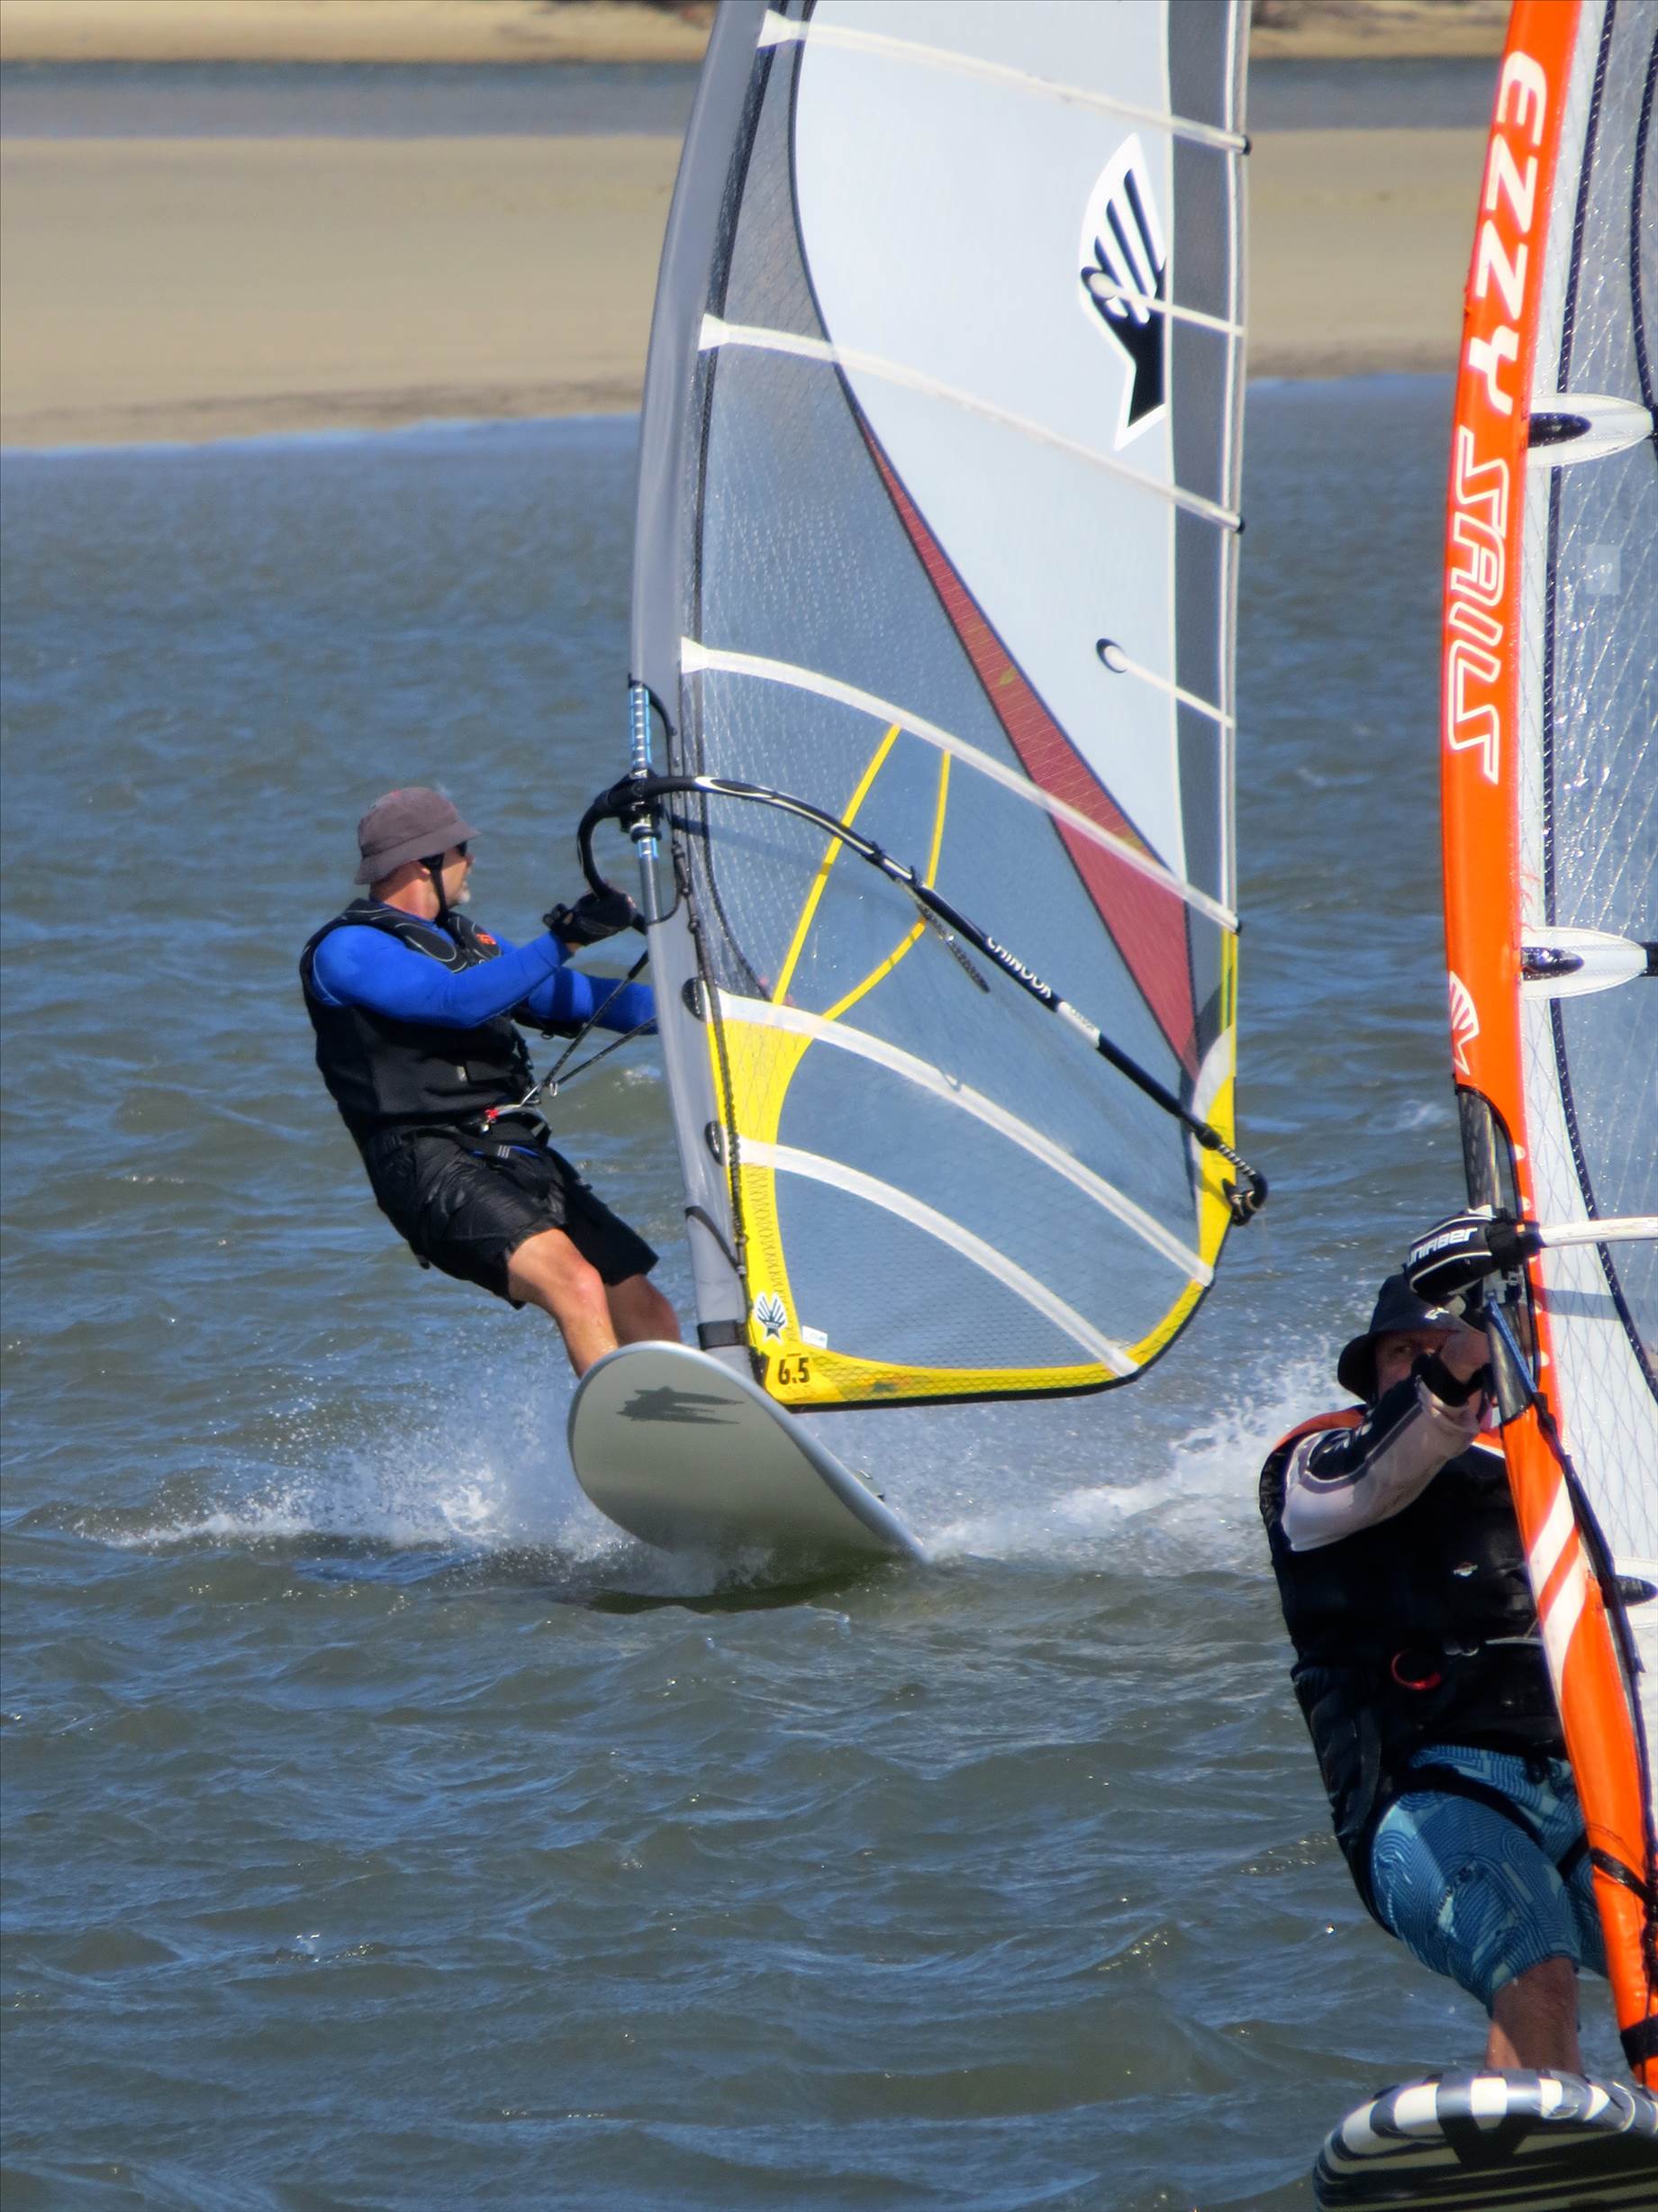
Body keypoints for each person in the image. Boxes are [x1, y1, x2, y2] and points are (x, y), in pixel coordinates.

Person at [1257, 1266, 1605, 2071]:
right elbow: (1370, 1470)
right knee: (1534, 1964)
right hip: (1426, 1789)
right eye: (1401, 1351)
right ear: (1372, 1372)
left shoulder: (1557, 1457)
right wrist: (1453, 1366)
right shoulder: (1312, 1460)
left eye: (1442, 1342)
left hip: (1593, 1785)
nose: (1423, 1360)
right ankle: (1539, 2143)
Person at [300, 786, 680, 1375]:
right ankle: (632, 1426)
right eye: (459, 850)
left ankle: (691, 1416)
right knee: (575, 1283)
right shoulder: (347, 948)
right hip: (426, 1162)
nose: (470, 861)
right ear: (420, 863)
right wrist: (566, 938)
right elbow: (452, 1003)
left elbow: (574, 998)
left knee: (641, 1304)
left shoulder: (464, 940)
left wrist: (697, 1007)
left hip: (511, 1150)